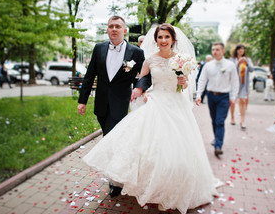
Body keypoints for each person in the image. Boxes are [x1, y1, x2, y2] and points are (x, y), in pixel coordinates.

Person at [82, 23, 222, 214]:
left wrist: (183, 81)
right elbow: (144, 79)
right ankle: (151, 184)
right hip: (157, 102)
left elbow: (186, 83)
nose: (163, 40)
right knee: (150, 146)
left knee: (176, 149)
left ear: (173, 39)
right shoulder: (150, 59)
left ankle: (174, 188)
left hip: (176, 105)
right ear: (155, 40)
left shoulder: (182, 59)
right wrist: (140, 90)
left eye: (166, 37)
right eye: (160, 37)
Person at [77, 16, 147, 197]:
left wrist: (140, 87)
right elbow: (89, 75)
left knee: (113, 140)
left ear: (125, 30)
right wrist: (82, 100)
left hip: (122, 104)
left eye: (118, 26)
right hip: (101, 104)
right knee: (110, 139)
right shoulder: (99, 48)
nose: (114, 29)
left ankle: (115, 180)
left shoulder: (135, 52)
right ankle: (118, 174)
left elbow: (146, 74)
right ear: (107, 30)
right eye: (111, 26)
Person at [195, 42, 239, 157]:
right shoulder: (208, 66)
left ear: (223, 51)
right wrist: (199, 95)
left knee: (220, 121)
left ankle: (218, 145)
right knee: (214, 120)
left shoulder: (230, 65)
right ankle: (217, 138)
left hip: (224, 97)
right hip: (211, 96)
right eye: (213, 49)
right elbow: (202, 80)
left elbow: (235, 82)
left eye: (217, 49)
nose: (215, 51)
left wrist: (233, 97)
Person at [229, 44, 254, 129]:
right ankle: (232, 117)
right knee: (232, 101)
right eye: (239, 49)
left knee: (243, 101)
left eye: (243, 49)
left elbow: (252, 69)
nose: (241, 51)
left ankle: (242, 121)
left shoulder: (248, 59)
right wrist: (238, 63)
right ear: (236, 50)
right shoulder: (232, 60)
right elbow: (230, 70)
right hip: (233, 84)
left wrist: (246, 63)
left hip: (243, 84)